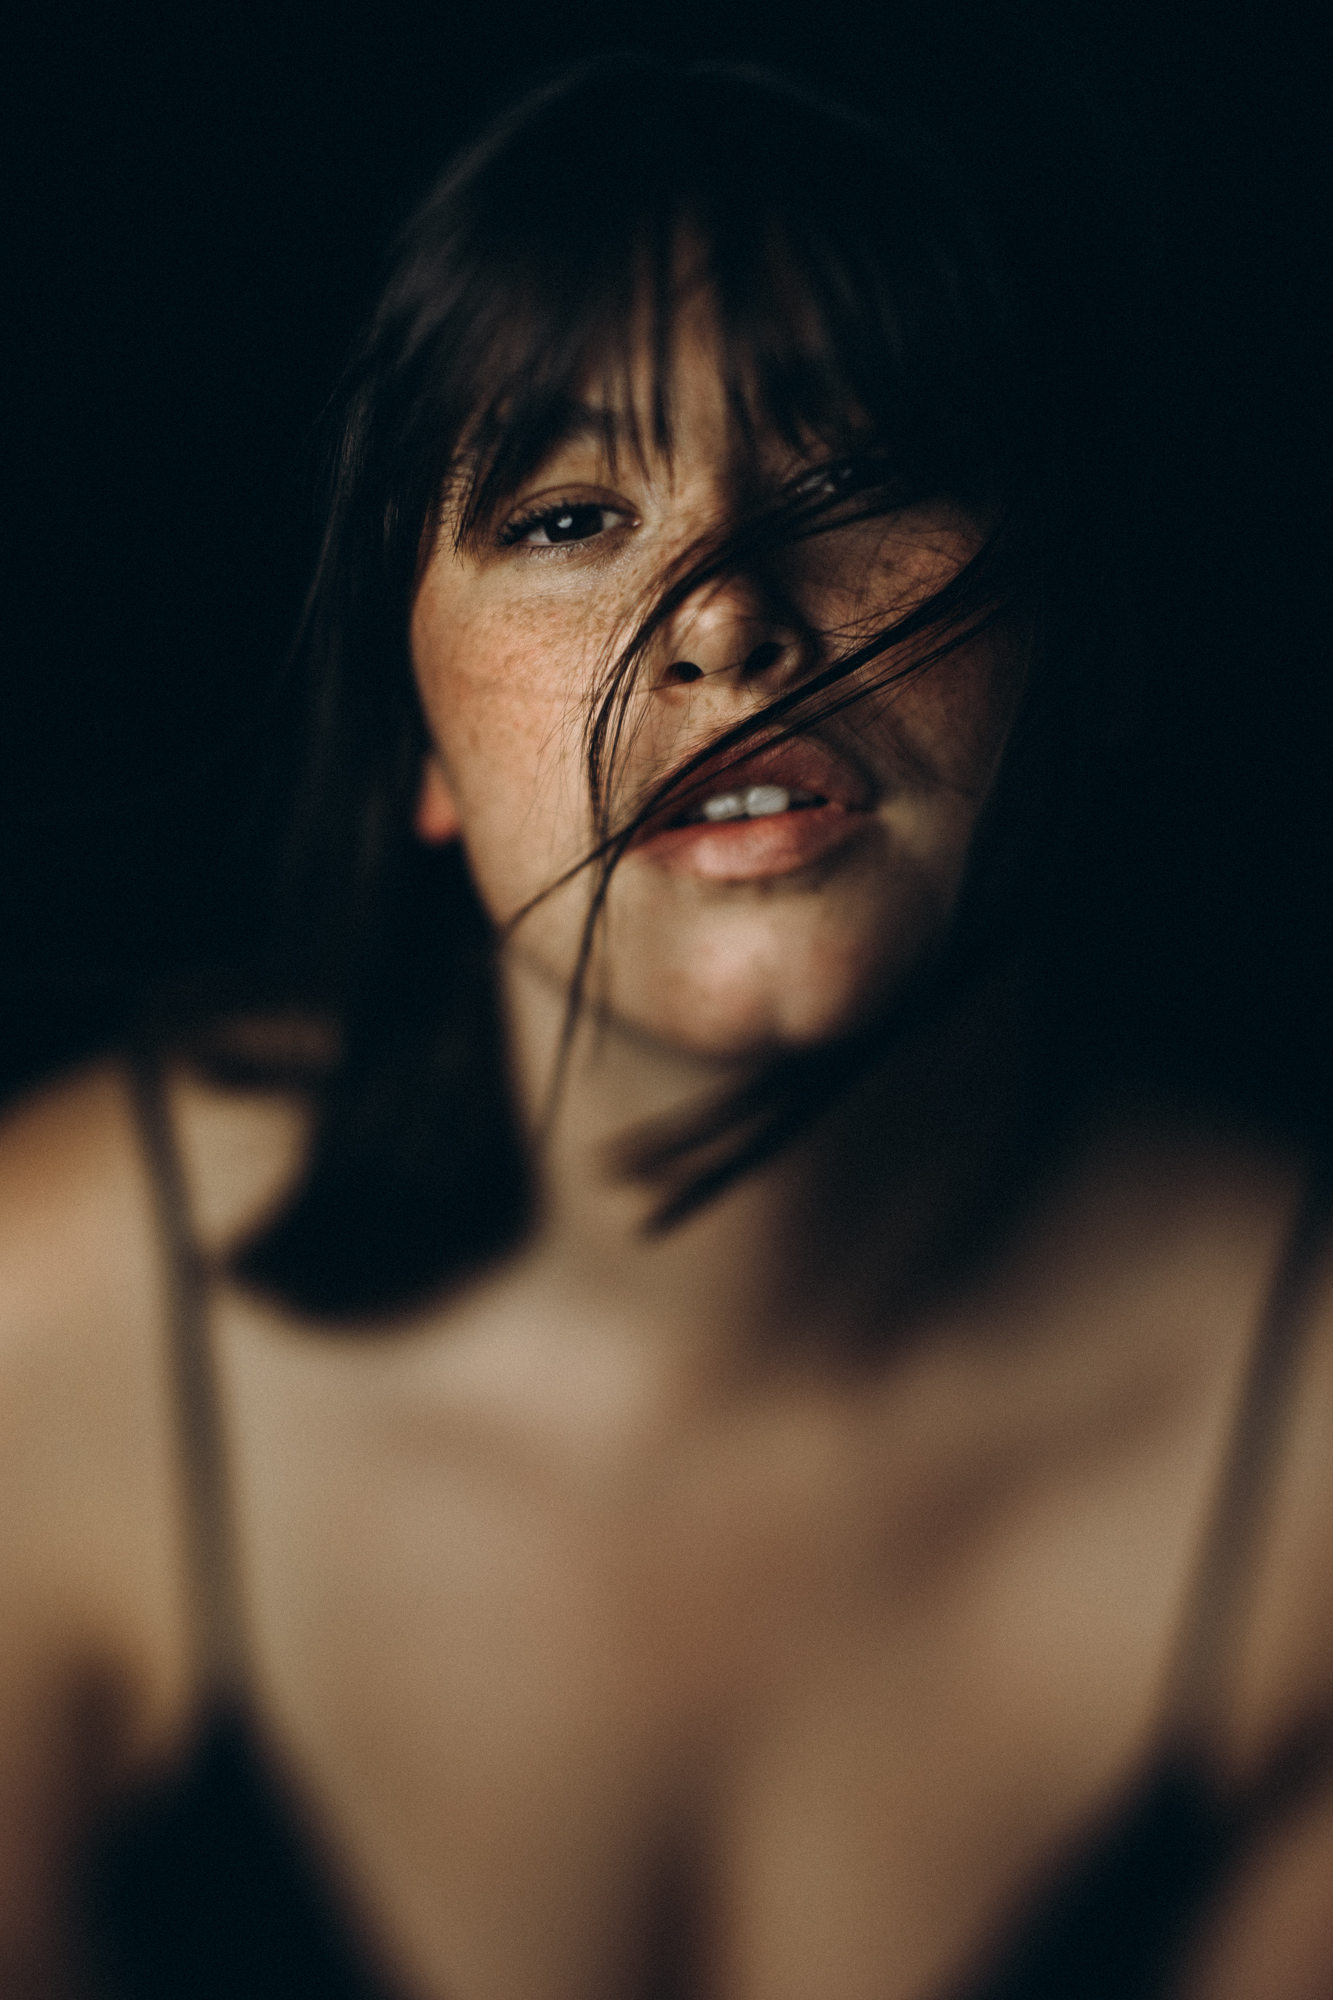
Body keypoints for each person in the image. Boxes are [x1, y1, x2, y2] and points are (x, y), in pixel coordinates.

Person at [2, 50, 1331, 2000]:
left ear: (1090, 643)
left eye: (858, 472)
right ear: (415, 743)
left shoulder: (1302, 1467)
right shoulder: (59, 1341)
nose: (719, 610)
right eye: (564, 516)